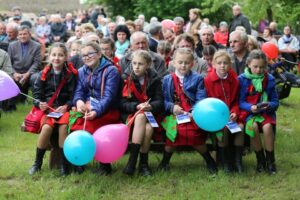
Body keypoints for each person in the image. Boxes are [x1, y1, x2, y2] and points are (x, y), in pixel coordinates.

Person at [159, 48, 217, 173]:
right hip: (173, 114)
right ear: (173, 62)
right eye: (180, 62)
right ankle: (165, 161)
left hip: (193, 114)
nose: (183, 65)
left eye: (186, 62)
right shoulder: (167, 80)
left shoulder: (198, 79)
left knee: (193, 133)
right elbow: (162, 100)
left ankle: (209, 160)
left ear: (192, 64)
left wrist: (193, 112)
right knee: (172, 133)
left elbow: (200, 99)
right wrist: (171, 107)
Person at [71, 41, 121, 175]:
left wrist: (96, 111)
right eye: (84, 55)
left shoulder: (111, 71)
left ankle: (105, 164)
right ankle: (80, 161)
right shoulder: (82, 71)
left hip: (107, 109)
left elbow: (109, 97)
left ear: (99, 54)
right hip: (88, 107)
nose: (87, 57)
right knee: (75, 125)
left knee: (94, 127)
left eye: (90, 54)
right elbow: (79, 91)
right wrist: (79, 102)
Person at [28, 43, 77, 176]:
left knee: (63, 127)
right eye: (54, 55)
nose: (57, 58)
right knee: (47, 128)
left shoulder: (70, 75)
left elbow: (73, 95)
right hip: (49, 111)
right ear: (49, 56)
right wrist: (40, 104)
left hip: (64, 110)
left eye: (60, 55)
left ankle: (64, 165)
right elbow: (36, 97)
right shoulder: (41, 75)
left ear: (66, 57)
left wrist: (67, 105)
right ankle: (37, 163)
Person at [121, 50, 163, 176]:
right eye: (134, 63)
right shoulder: (125, 78)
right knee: (140, 116)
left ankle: (136, 163)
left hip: (151, 114)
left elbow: (160, 101)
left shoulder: (154, 79)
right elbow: (121, 103)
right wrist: (136, 106)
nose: (136, 67)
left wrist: (150, 106)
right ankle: (139, 163)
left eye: (140, 64)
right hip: (130, 115)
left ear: (148, 65)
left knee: (149, 128)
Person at [238, 50, 279, 175]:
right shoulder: (242, 79)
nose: (258, 70)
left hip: (266, 113)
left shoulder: (270, 79)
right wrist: (250, 107)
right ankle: (260, 160)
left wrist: (269, 105)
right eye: (255, 66)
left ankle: (271, 161)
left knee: (267, 127)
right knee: (253, 127)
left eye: (262, 67)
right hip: (249, 113)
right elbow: (240, 101)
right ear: (248, 64)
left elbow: (275, 101)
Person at [204, 50, 244, 173]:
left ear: (230, 65)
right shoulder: (208, 80)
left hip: (231, 115)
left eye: (225, 63)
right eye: (219, 63)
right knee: (224, 129)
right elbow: (208, 103)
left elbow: (236, 101)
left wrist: (234, 113)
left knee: (241, 127)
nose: (222, 66)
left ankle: (238, 161)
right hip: (216, 116)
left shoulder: (234, 80)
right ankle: (225, 161)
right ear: (213, 64)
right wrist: (222, 116)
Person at [8, 25, 41, 105]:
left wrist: (28, 73)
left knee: (35, 78)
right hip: (16, 72)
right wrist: (14, 73)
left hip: (30, 72)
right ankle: (10, 101)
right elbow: (8, 63)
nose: (22, 36)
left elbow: (37, 63)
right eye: (20, 34)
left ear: (29, 35)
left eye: (25, 34)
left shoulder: (36, 46)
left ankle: (36, 101)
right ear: (18, 36)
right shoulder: (12, 45)